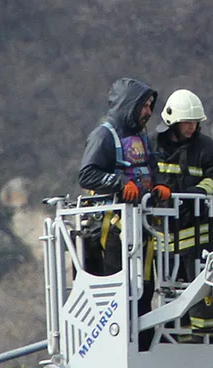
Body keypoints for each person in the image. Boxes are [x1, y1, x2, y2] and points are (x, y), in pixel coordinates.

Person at [149, 89, 213, 338]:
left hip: (197, 232)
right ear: (173, 121)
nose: (191, 127)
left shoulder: (208, 149)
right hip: (162, 231)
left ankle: (209, 337)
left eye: (195, 122)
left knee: (200, 288)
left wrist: (193, 194)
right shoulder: (153, 145)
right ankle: (177, 332)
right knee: (167, 288)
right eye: (187, 122)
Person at [78, 78, 171, 275]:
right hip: (111, 227)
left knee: (143, 289)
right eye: (143, 106)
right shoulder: (103, 136)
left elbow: (151, 166)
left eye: (149, 106)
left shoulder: (142, 136)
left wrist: (160, 184)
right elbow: (87, 175)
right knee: (120, 288)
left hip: (141, 223)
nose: (148, 111)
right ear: (129, 105)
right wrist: (120, 183)